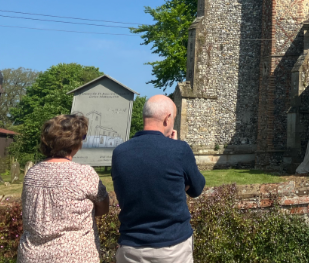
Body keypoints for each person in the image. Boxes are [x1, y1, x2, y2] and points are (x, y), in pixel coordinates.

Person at [112, 95, 206, 263]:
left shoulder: (119, 153)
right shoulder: (179, 150)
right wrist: (175, 147)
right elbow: (197, 188)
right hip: (171, 247)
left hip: (131, 247)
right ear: (167, 118)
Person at [18, 114, 110, 263]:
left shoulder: (32, 174)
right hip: (75, 256)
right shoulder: (83, 173)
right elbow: (104, 207)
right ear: (74, 143)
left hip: (32, 256)